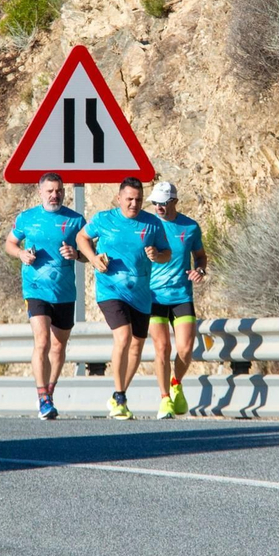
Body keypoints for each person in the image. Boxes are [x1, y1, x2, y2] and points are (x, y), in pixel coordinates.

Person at [77, 177, 171, 420]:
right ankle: (120, 397)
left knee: (137, 345)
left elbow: (166, 254)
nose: (133, 203)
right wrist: (93, 258)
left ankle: (119, 393)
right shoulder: (103, 219)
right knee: (123, 336)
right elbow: (81, 238)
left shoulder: (152, 224)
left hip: (140, 294)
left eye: (138, 199)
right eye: (129, 199)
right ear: (119, 198)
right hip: (110, 290)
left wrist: (156, 254)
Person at [4, 173, 85, 420]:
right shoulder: (27, 218)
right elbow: (10, 243)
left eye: (58, 190)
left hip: (64, 291)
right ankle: (43, 398)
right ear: (40, 192)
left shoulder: (75, 220)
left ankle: (50, 391)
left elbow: (90, 252)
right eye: (49, 191)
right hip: (35, 289)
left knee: (59, 346)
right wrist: (21, 255)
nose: (54, 195)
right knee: (42, 341)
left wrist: (76, 253)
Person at [146, 181, 207, 418]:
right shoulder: (147, 225)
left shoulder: (190, 227)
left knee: (185, 348)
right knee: (162, 348)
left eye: (163, 203)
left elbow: (200, 256)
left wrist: (199, 271)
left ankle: (176, 383)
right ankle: (164, 399)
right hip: (153, 296)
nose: (159, 208)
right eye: (155, 203)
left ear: (174, 202)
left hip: (181, 295)